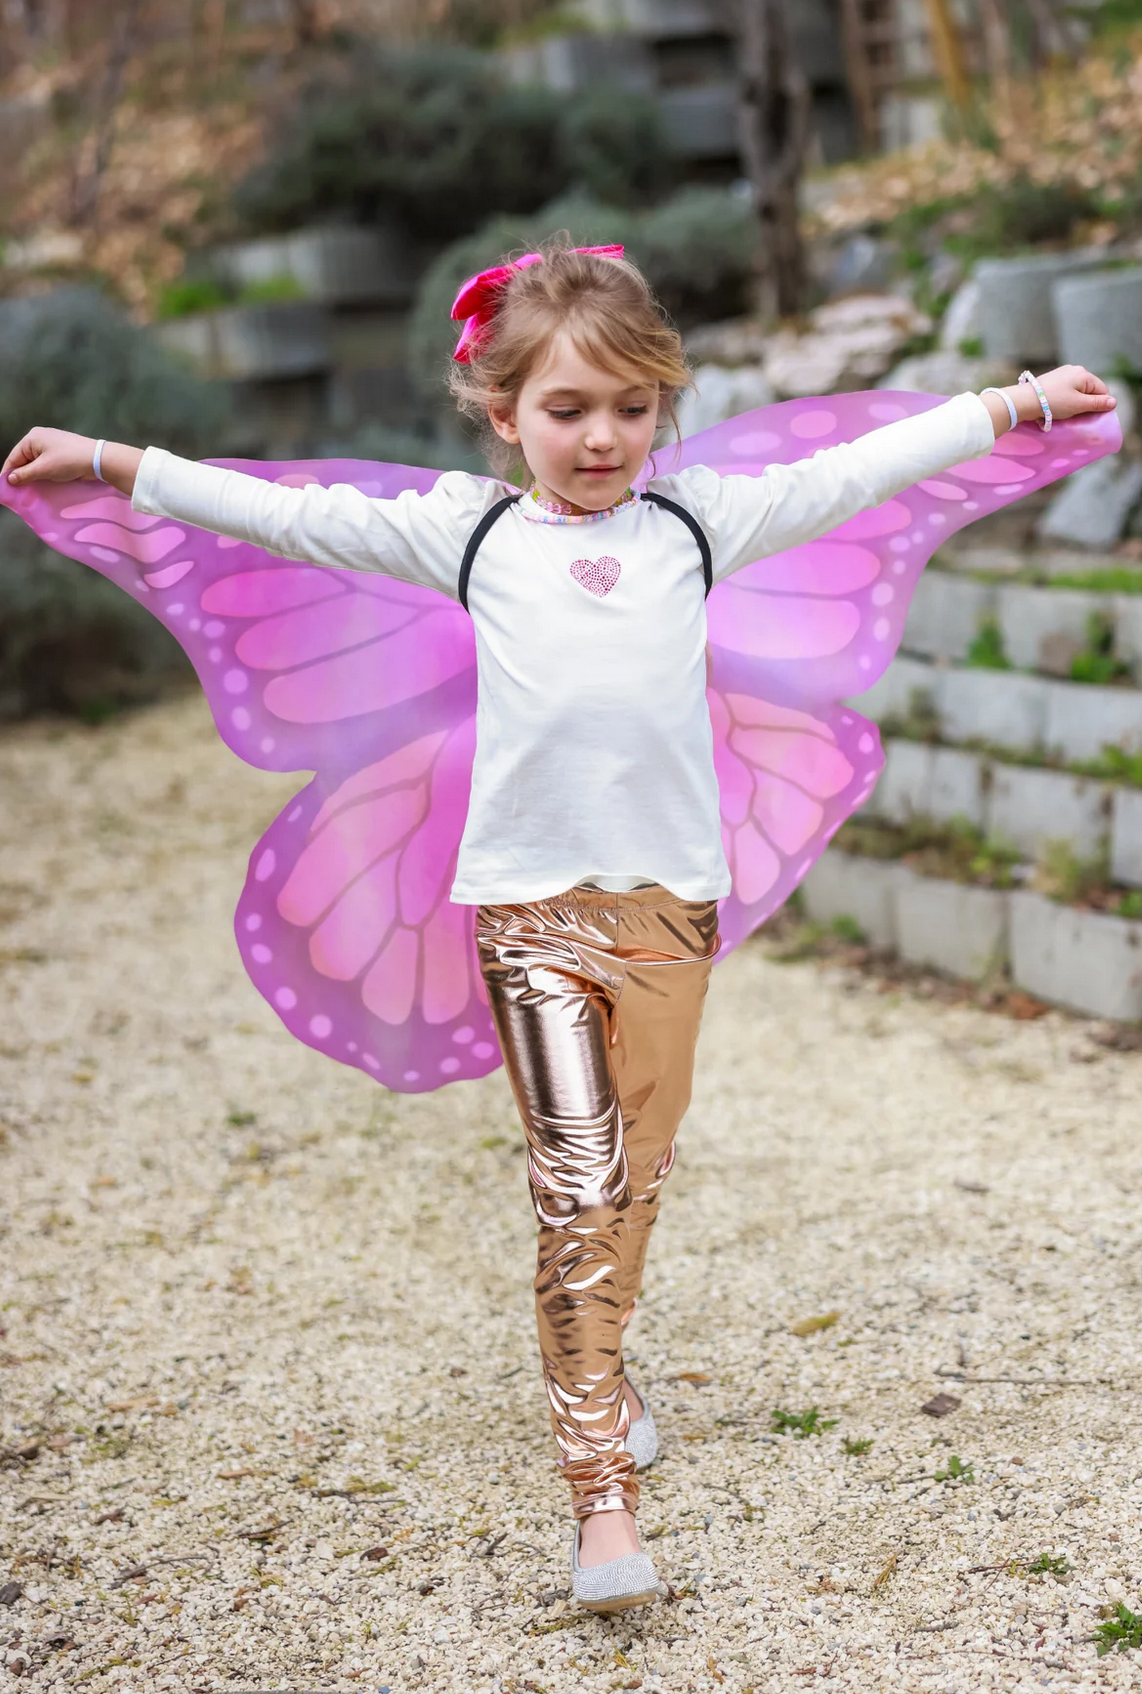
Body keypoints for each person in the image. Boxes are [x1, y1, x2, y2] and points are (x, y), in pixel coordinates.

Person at [2, 241, 1116, 1614]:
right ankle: (601, 1500)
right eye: (567, 409)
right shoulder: (469, 535)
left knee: (636, 1176)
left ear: (663, 406)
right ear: (501, 411)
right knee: (576, 1187)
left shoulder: (698, 526)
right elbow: (287, 517)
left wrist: (1012, 403)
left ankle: (611, 1365)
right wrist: (117, 461)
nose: (601, 437)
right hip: (528, 916)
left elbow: (859, 468)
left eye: (630, 408)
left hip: (670, 915)